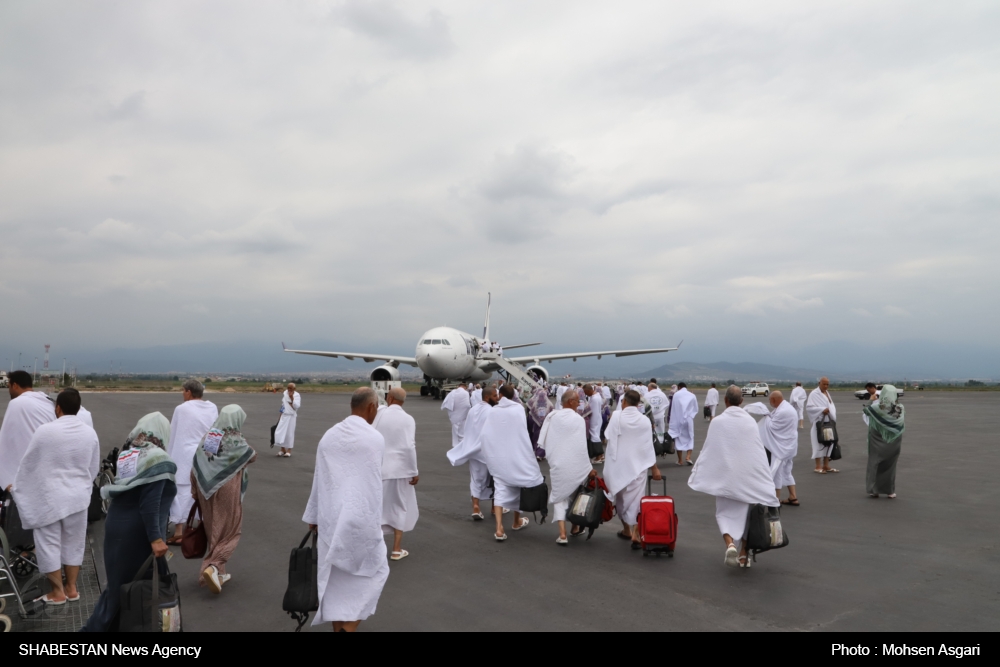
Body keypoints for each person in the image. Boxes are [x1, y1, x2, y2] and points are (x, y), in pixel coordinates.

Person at [303, 387, 389, 632]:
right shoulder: (374, 438)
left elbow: (319, 478)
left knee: (335, 583)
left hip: (331, 519)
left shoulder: (329, 436)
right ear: (371, 407)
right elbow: (372, 484)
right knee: (376, 572)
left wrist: (313, 514)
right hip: (361, 519)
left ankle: (340, 627)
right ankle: (349, 628)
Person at [82, 412, 177, 631]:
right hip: (138, 534)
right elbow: (150, 503)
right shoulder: (158, 458)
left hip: (117, 527)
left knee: (120, 587)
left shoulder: (130, 453)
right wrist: (155, 538)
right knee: (125, 591)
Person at [11, 389, 99, 605]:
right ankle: (71, 588)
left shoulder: (45, 431)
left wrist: (19, 486)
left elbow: (29, 464)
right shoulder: (90, 433)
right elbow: (93, 467)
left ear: (57, 407)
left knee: (49, 543)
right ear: (78, 408)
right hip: (78, 499)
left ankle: (56, 592)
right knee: (74, 543)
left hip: (50, 499)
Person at [688, 386, 780, 568]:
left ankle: (730, 544)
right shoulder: (750, 422)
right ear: (742, 401)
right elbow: (758, 453)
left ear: (726, 401)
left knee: (723, 513)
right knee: (746, 516)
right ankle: (744, 554)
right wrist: (765, 480)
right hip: (746, 478)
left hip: (725, 479)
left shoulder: (718, 422)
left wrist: (699, 469)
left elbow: (709, 450)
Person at [191, 405, 256, 593]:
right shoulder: (236, 440)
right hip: (228, 489)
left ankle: (219, 573)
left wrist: (195, 489)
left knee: (214, 528)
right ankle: (213, 566)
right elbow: (251, 455)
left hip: (206, 489)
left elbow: (196, 463)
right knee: (231, 530)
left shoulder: (209, 437)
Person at [479, 384, 543, 541]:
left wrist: (489, 453)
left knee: (500, 490)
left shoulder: (493, 411)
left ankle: (499, 528)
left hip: (499, 457)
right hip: (517, 455)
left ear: (500, 395)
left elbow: (486, 435)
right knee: (519, 488)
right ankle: (516, 521)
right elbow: (522, 432)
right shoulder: (518, 409)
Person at [603, 390, 661, 549]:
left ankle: (627, 529)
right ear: (638, 404)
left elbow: (607, 437)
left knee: (620, 499)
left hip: (618, 466)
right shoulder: (644, 421)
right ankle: (635, 531)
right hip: (638, 466)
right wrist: (654, 468)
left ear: (623, 402)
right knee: (636, 499)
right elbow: (648, 447)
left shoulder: (616, 417)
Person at [539, 390, 595, 544]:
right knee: (576, 495)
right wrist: (588, 467)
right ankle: (575, 527)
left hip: (558, 463)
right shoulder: (578, 419)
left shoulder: (553, 417)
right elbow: (581, 446)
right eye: (577, 401)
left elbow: (548, 440)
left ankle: (562, 534)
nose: (579, 404)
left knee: (560, 497)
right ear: (570, 401)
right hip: (576, 464)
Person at [166, 380, 218, 544]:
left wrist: (169, 455)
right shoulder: (212, 408)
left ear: (188, 392)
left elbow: (173, 433)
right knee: (204, 490)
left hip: (185, 454)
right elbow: (215, 431)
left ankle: (180, 532)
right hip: (205, 453)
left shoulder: (181, 409)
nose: (182, 393)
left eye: (183, 391)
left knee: (183, 491)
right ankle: (202, 527)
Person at [374, 388, 419, 561]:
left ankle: (374, 548)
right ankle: (396, 549)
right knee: (400, 506)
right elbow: (409, 446)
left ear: (390, 398)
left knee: (377, 507)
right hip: (400, 470)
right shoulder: (408, 419)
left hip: (379, 468)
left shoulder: (379, 414)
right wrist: (414, 470)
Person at [447, 385, 498, 520]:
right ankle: (494, 507)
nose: (497, 398)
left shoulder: (473, 410)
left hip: (473, 450)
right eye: (495, 396)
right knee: (494, 480)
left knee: (476, 479)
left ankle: (476, 507)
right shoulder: (492, 412)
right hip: (488, 451)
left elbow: (468, 429)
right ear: (487, 397)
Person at [0, 370, 56, 490]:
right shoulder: (47, 400)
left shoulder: (16, 403)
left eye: (9, 386)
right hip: (48, 464)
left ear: (15, 385)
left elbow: (7, 438)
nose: (9, 390)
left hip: (25, 470)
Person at [752, 391, 800, 506]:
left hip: (781, 447)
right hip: (789, 446)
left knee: (777, 471)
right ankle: (793, 497)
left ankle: (775, 499)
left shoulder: (783, 411)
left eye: (770, 400)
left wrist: (766, 416)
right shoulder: (786, 407)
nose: (769, 403)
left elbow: (772, 427)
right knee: (787, 471)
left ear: (774, 400)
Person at [863, 385, 905, 499]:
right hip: (893, 442)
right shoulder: (899, 408)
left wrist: (870, 401)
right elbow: (899, 426)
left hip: (876, 440)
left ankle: (874, 490)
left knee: (874, 464)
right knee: (890, 466)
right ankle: (890, 491)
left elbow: (866, 411)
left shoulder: (877, 407)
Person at [805, 377, 838, 474]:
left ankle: (826, 465)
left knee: (829, 443)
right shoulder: (814, 393)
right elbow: (809, 408)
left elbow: (831, 406)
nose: (826, 386)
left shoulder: (827, 393)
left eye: (827, 384)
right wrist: (822, 409)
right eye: (824, 384)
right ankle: (818, 466)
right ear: (819, 383)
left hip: (829, 422)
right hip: (819, 423)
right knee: (818, 443)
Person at [668, 382, 698, 466]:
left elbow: (673, 409)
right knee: (690, 437)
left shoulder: (676, 395)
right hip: (689, 419)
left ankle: (680, 460)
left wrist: (672, 421)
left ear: (679, 387)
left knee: (678, 438)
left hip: (678, 419)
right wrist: (690, 416)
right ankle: (688, 457)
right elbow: (695, 409)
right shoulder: (692, 395)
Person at [440, 384, 471, 449]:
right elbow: (467, 405)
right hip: (463, 416)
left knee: (455, 432)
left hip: (454, 416)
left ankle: (455, 446)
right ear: (464, 387)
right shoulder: (465, 393)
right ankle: (462, 446)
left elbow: (447, 403)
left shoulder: (452, 393)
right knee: (462, 432)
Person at [275, 382, 301, 458]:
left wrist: (292, 398)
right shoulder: (285, 393)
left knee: (289, 433)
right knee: (279, 433)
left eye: (291, 388)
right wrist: (280, 415)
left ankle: (289, 450)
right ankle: (282, 449)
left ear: (294, 389)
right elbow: (283, 405)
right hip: (284, 415)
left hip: (291, 416)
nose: (289, 389)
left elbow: (297, 406)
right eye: (288, 388)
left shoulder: (297, 395)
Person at [527, 386, 551, 459]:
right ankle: (540, 453)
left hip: (534, 423)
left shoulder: (533, 401)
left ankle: (535, 450)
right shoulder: (549, 403)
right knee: (542, 437)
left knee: (535, 436)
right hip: (544, 424)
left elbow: (529, 411)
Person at [583, 384, 604, 463]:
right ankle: (601, 456)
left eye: (585, 392)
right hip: (598, 418)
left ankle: (598, 456)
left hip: (594, 419)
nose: (585, 394)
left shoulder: (594, 399)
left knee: (594, 436)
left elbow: (593, 411)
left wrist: (591, 423)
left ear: (589, 390)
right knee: (596, 435)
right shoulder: (597, 396)